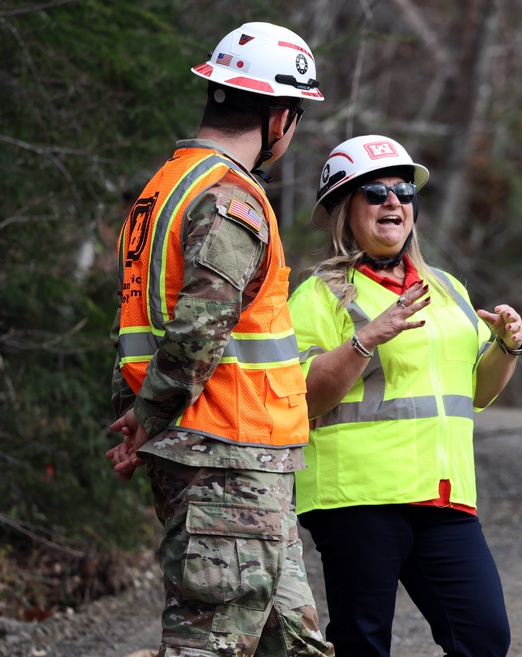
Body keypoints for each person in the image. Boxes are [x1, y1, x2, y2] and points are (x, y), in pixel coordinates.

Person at [105, 22, 332, 657]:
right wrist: (148, 418)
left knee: (294, 643)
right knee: (212, 644)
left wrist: (134, 417)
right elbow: (199, 328)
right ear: (280, 116)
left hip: (232, 458)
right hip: (226, 456)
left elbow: (132, 321)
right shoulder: (230, 196)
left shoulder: (160, 191)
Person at [288, 134, 522, 657]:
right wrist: (365, 339)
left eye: (403, 192)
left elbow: (474, 393)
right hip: (357, 496)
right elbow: (300, 398)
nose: (394, 202)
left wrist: (507, 349)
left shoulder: (447, 289)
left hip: (444, 494)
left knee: (484, 639)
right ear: (343, 210)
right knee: (363, 643)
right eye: (375, 193)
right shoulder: (318, 295)